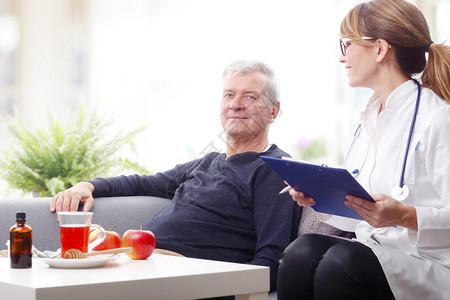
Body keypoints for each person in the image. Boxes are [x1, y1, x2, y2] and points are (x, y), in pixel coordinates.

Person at [50, 59, 301, 291]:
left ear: (273, 111)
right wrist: (87, 186)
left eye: (250, 96)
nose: (236, 104)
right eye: (229, 95)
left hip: (182, 275)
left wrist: (223, 286)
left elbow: (270, 260)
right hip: (139, 261)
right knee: (34, 268)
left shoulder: (275, 169)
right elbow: (144, 184)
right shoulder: (208, 162)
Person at [277, 0, 450, 299]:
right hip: (376, 253)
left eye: (346, 45)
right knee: (300, 253)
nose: (341, 58)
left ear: (380, 49)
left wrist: (406, 216)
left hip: (430, 266)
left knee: (342, 263)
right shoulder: (364, 122)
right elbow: (361, 213)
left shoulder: (438, 119)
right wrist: (318, 197)